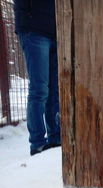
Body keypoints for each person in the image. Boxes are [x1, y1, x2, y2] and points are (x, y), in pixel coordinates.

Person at [14, 0, 61, 155]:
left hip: (56, 32)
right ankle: (38, 143)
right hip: (34, 31)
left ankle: (56, 138)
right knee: (39, 90)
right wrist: (26, 19)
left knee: (55, 91)